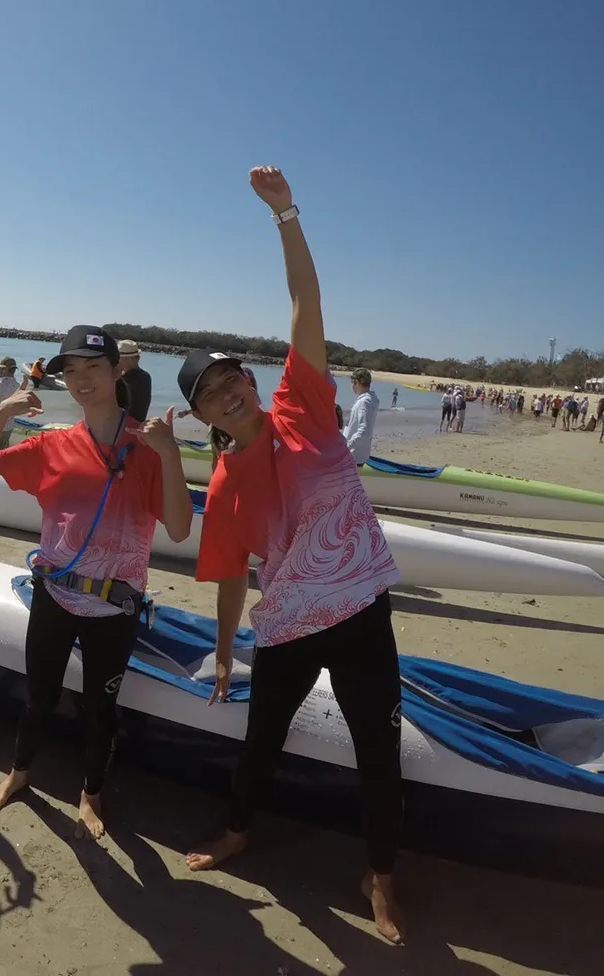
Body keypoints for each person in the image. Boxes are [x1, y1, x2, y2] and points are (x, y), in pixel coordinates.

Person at [177, 168, 406, 944]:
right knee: (261, 739)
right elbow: (230, 574)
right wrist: (222, 654)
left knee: (378, 748)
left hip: (362, 612)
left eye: (232, 378)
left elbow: (306, 301)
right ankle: (238, 831)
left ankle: (380, 875)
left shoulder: (303, 404)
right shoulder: (223, 482)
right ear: (203, 415)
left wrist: (285, 215)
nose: (228, 393)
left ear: (250, 380)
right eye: (210, 393)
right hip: (287, 628)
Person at [0, 326, 193, 839]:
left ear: (118, 371)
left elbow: (180, 529)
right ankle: (19, 774)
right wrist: (2, 414)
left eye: (93, 367)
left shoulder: (149, 446)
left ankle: (91, 794)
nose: (81, 379)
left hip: (115, 609)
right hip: (54, 595)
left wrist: (171, 455)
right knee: (38, 697)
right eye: (71, 371)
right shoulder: (53, 444)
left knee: (100, 709)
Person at [343, 368, 379, 465]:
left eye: (352, 382)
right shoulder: (369, 399)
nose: (351, 386)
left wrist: (347, 446)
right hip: (357, 453)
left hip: (354, 454)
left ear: (357, 382)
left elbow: (363, 430)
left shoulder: (364, 402)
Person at [115, 340, 153, 423]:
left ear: (125, 359)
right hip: (137, 425)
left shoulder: (123, 379)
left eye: (118, 357)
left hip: (122, 426)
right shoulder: (145, 377)